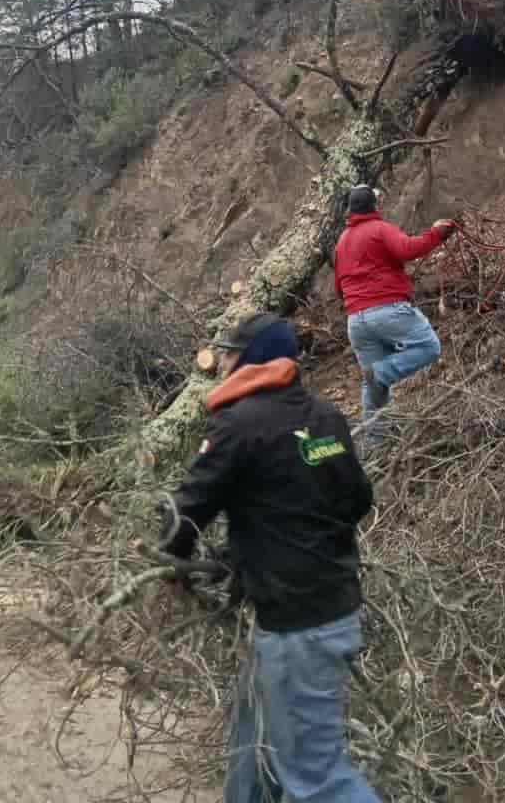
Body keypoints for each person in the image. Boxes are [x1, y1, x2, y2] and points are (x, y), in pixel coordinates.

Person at [161, 313, 379, 803]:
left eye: (230, 353)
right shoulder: (324, 417)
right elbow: (356, 501)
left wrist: (170, 562)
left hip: (297, 625)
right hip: (331, 607)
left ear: (253, 358)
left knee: (315, 776)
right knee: (250, 739)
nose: (220, 363)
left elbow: (187, 511)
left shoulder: (238, 425)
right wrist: (254, 548)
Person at [333, 186, 456, 438]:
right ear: (373, 206)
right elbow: (407, 249)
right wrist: (436, 233)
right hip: (387, 310)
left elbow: (338, 288)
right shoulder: (379, 229)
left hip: (355, 321)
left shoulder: (342, 241)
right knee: (428, 346)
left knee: (373, 387)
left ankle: (376, 447)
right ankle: (381, 373)